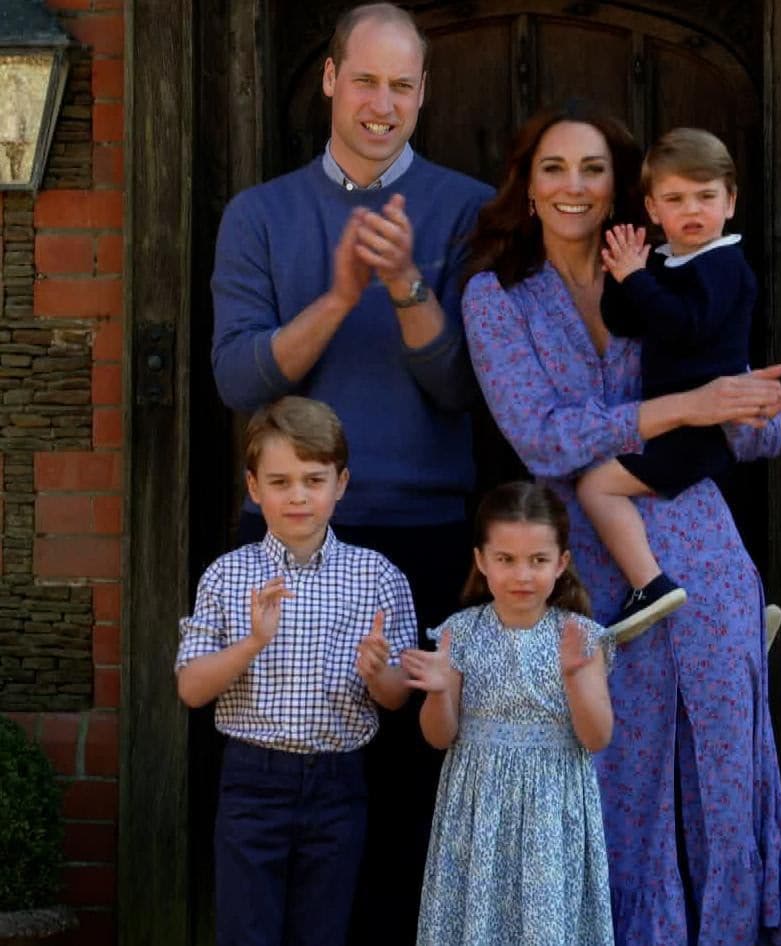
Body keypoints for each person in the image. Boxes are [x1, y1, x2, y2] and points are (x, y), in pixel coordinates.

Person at [461, 100, 781, 945]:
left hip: (703, 546)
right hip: (591, 567)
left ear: (625, 190)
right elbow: (544, 438)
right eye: (554, 168)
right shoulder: (496, 296)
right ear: (528, 187)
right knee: (615, 768)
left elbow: (752, 431)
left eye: (592, 169)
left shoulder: (674, 266)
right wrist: (687, 404)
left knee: (726, 761)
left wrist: (751, 407)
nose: (574, 186)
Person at [209, 5, 493, 942]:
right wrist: (337, 297)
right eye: (364, 81)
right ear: (329, 79)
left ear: (423, 93)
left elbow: (463, 390)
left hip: (426, 535)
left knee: (413, 785)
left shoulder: (469, 210)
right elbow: (239, 377)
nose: (382, 104)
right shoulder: (261, 214)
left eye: (401, 85)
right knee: (294, 781)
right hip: (292, 536)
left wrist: (408, 284)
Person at [174, 397, 415, 946]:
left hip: (337, 783)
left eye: (314, 479)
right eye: (280, 482)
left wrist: (379, 674)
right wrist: (254, 643)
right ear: (254, 488)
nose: (299, 496)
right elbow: (190, 689)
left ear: (341, 483)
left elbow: (398, 697)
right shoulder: (228, 575)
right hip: (252, 783)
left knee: (323, 933)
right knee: (246, 933)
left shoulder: (376, 576)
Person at [401, 481, 615, 946]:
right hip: (478, 809)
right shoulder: (460, 632)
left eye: (538, 560)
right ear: (481, 560)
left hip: (552, 810)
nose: (522, 574)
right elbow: (439, 737)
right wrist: (438, 692)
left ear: (561, 563)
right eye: (506, 559)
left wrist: (577, 678)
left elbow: (597, 737)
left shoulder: (580, 637)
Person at [575, 127, 760, 643]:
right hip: (674, 423)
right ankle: (733, 615)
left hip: (699, 430)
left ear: (731, 201)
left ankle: (649, 585)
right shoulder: (667, 261)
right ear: (654, 210)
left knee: (596, 485)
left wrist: (639, 278)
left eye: (706, 196)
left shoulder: (724, 265)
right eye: (676, 199)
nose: (692, 210)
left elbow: (684, 326)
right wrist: (622, 274)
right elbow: (626, 322)